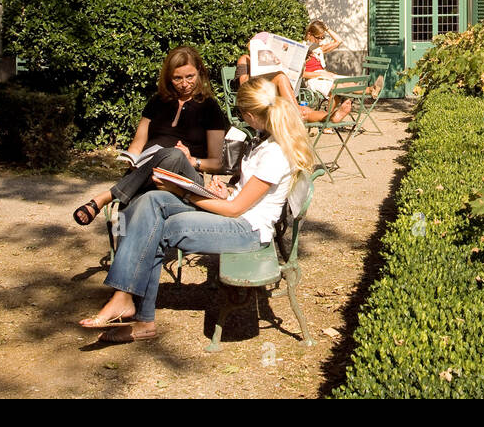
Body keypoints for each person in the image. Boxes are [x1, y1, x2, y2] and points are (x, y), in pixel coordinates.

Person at [78, 75, 315, 342]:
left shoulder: (275, 152)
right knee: (150, 200)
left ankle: (142, 318)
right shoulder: (263, 139)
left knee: (163, 228)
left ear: (250, 114)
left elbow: (236, 210)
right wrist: (224, 191)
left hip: (247, 230)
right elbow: (242, 197)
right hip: (237, 216)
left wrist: (185, 193)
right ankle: (123, 296)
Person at [72, 46, 230, 227]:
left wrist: (192, 160)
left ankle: (103, 198)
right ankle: (122, 238)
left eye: (190, 77)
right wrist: (131, 159)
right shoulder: (158, 101)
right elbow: (138, 143)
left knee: (173, 154)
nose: (184, 84)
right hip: (150, 170)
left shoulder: (210, 107)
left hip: (185, 177)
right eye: (177, 78)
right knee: (139, 193)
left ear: (200, 72)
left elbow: (217, 163)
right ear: (169, 77)